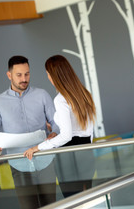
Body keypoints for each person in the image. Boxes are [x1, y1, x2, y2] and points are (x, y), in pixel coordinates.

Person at [0, 55, 60, 209]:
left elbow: (55, 122)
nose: (24, 79)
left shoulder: (42, 95)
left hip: (45, 161)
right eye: (19, 75)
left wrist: (54, 132)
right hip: (19, 165)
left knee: (51, 206)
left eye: (27, 74)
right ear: (9, 75)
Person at [24, 55, 96, 197]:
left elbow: (67, 136)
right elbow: (88, 129)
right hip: (86, 151)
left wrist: (37, 147)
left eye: (48, 74)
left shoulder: (60, 99)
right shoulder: (84, 93)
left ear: (53, 76)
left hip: (69, 157)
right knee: (88, 198)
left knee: (73, 201)